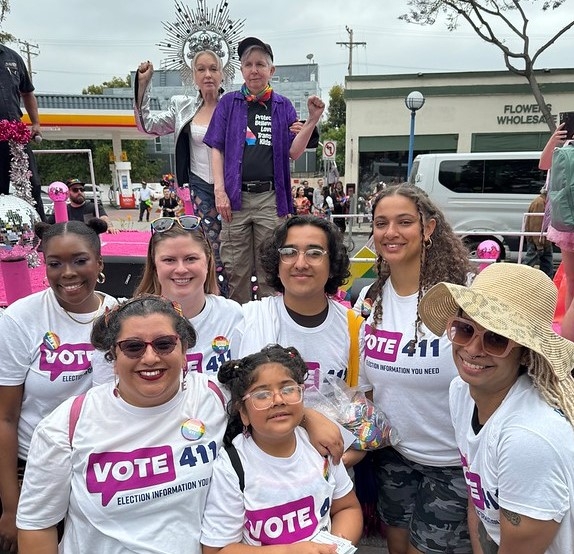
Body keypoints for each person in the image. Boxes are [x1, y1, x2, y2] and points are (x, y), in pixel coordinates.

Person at [17, 296, 345, 554]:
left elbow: (271, 399)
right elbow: (38, 526)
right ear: (112, 356)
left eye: (164, 344)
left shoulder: (215, 397)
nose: (150, 358)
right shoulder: (67, 426)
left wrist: (308, 418)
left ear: (184, 349)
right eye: (133, 347)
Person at [419, 262, 574, 554]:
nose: (473, 349)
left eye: (496, 338)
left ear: (525, 353)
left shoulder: (528, 438)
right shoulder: (462, 393)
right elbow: (478, 503)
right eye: (465, 330)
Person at [358, 184, 475, 554]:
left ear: (428, 229)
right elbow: (368, 389)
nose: (390, 233)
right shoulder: (369, 299)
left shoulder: (462, 296)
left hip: (453, 463)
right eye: (381, 223)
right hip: (394, 455)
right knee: (398, 548)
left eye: (404, 222)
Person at [0, 219, 116, 553]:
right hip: (31, 466)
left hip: (94, 466)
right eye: (55, 263)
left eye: (80, 261)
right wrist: (11, 507)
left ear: (99, 263)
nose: (67, 273)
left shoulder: (118, 315)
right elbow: (4, 418)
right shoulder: (22, 319)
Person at [201, 345, 363, 552]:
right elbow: (218, 550)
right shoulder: (232, 467)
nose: (278, 400)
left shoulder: (319, 448)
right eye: (262, 395)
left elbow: (347, 507)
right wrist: (287, 551)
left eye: (288, 389)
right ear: (243, 412)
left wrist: (336, 546)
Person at [204, 36, 325, 303]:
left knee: (272, 270)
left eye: (260, 64)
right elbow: (216, 147)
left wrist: (312, 120)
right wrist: (219, 191)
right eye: (248, 64)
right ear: (242, 70)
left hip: (270, 199)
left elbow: (294, 152)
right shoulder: (229, 103)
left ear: (272, 70)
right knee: (236, 271)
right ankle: (242, 329)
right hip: (234, 201)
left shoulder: (283, 106)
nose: (254, 69)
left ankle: (271, 331)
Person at [135, 50, 228, 293]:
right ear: (193, 76)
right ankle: (215, 298)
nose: (208, 75)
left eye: (213, 69)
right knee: (210, 246)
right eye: (201, 70)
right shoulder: (182, 106)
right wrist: (143, 86)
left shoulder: (234, 105)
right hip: (199, 185)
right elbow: (148, 126)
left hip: (231, 188)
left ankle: (241, 301)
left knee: (235, 246)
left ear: (222, 74)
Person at [238, 216, 351, 389]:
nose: (300, 264)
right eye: (289, 253)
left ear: (332, 265)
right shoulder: (247, 320)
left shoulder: (353, 328)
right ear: (276, 265)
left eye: (314, 253)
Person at [132, 215, 243, 379]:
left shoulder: (232, 315)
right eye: (169, 260)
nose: (181, 269)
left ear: (208, 261)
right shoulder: (130, 321)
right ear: (155, 266)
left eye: (191, 259)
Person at [0, 43, 46, 221]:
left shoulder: (13, 58)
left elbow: (27, 92)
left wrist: (35, 123)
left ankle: (41, 233)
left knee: (32, 183)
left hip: (14, 132)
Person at [540, 122, 574, 339]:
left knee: (572, 283)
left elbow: (543, 165)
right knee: (571, 282)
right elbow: (544, 165)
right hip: (567, 221)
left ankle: (568, 343)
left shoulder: (565, 150)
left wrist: (557, 142)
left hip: (565, 222)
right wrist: (556, 141)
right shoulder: (565, 149)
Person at [48, 178, 118, 234]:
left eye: (82, 189)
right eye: (75, 190)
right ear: (68, 193)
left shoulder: (94, 207)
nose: (79, 192)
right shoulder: (63, 210)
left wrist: (109, 227)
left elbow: (104, 218)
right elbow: (48, 226)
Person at [523, 188, 553, 277]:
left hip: (543, 240)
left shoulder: (541, 202)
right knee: (531, 264)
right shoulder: (540, 203)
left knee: (545, 265)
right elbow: (537, 225)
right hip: (540, 240)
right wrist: (539, 244)